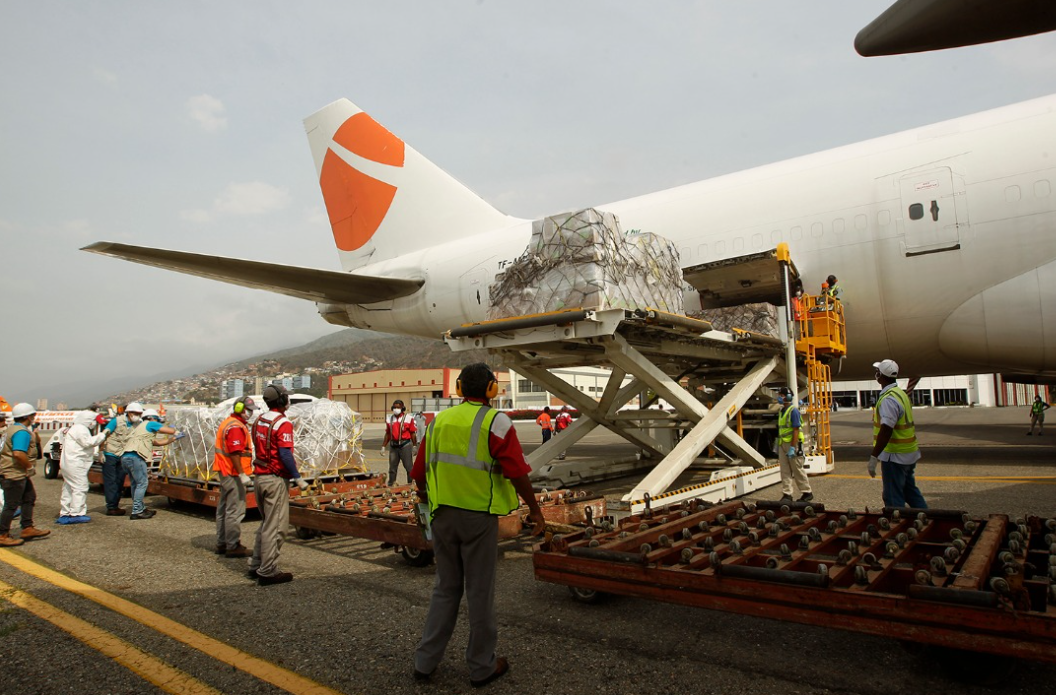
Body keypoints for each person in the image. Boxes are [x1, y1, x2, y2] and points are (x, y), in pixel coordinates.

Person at [411, 363, 545, 687]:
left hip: (442, 517)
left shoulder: (438, 421)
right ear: (491, 390)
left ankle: (424, 663)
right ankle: (482, 667)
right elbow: (517, 472)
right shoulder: (496, 422)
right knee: (479, 593)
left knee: (445, 588)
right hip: (477, 519)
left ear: (458, 388)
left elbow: (418, 474)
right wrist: (535, 511)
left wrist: (431, 501)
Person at [249, 384, 310, 585]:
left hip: (259, 476)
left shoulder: (259, 420)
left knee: (266, 523)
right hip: (275, 478)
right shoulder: (282, 423)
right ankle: (268, 571)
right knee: (276, 527)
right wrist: (297, 476)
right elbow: (284, 453)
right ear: (282, 400)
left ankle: (256, 564)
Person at [868, 359, 927, 509]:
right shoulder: (900, 394)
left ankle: (897, 527)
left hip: (895, 456)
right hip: (909, 452)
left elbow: (887, 429)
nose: (876, 374)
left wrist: (874, 456)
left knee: (893, 497)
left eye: (877, 372)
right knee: (910, 492)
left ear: (881, 376)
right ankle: (927, 518)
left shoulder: (889, 399)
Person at [0, 403, 51, 546]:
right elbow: (18, 453)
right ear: (28, 416)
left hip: (16, 472)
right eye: (33, 415)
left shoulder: (11, 429)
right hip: (14, 473)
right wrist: (29, 467)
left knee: (29, 497)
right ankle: (2, 534)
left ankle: (27, 527)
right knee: (11, 505)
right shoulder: (21, 432)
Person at [213, 396, 256, 557]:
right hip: (232, 472)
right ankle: (233, 545)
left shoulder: (229, 423)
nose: (251, 413)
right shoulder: (235, 427)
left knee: (224, 508)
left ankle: (222, 542)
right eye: (249, 410)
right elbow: (235, 452)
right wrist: (242, 474)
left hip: (224, 470)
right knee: (235, 510)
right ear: (240, 409)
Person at [121, 408, 179, 520]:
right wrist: (175, 431)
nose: (157, 422)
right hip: (135, 457)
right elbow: (165, 430)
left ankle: (140, 508)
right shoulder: (150, 423)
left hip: (126, 457)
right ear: (152, 417)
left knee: (135, 484)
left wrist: (174, 439)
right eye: (157, 419)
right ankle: (137, 511)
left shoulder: (141, 429)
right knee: (142, 483)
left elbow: (157, 443)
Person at [57, 410, 111, 524]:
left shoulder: (74, 428)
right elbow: (88, 442)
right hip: (76, 463)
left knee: (68, 487)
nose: (94, 424)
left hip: (68, 463)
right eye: (94, 422)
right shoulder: (81, 429)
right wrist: (103, 434)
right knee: (80, 487)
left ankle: (65, 512)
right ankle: (76, 513)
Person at [102, 402, 143, 515]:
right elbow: (104, 434)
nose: (137, 415)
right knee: (111, 481)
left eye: (139, 413)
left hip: (123, 455)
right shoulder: (117, 421)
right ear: (129, 413)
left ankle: (114, 505)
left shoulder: (139, 424)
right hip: (110, 454)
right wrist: (101, 451)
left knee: (119, 481)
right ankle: (111, 507)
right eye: (135, 413)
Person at [776, 390, 812, 503]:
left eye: (781, 395)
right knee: (785, 470)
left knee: (797, 469)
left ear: (788, 397)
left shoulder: (793, 411)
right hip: (783, 443)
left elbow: (796, 429)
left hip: (793, 443)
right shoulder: (782, 411)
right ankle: (787, 494)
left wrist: (792, 447)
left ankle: (807, 492)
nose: (779, 398)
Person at [382, 399, 417, 485]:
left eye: (398, 407)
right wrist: (383, 446)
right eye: (394, 407)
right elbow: (387, 434)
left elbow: (413, 433)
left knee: (409, 467)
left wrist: (415, 446)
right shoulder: (389, 419)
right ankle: (391, 485)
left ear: (402, 408)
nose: (396, 409)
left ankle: (410, 485)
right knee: (392, 468)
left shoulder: (408, 418)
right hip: (394, 446)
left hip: (405, 445)